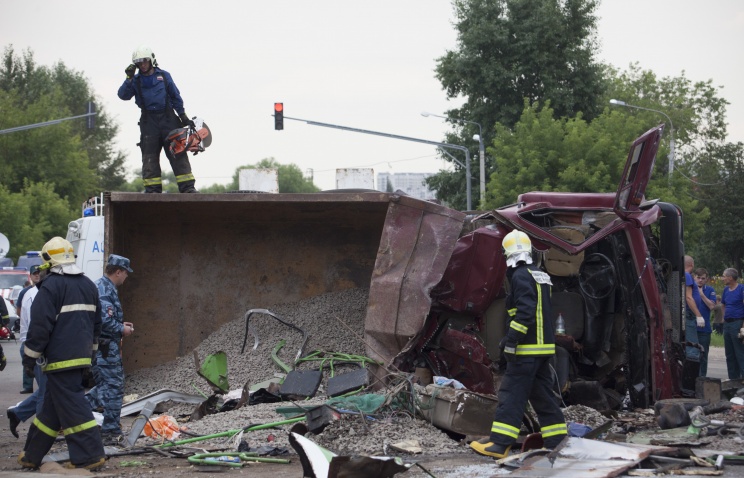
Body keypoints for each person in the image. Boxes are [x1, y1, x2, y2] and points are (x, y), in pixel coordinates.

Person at [470, 230, 567, 458]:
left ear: (508, 254)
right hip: (544, 349)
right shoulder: (539, 274)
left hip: (527, 350)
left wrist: (510, 341)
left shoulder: (520, 276)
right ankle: (558, 442)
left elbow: (525, 313)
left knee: (511, 393)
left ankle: (499, 444)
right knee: (543, 396)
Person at [18, 237, 105, 471]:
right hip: (82, 357)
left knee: (74, 406)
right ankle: (31, 455)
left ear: (48, 262)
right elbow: (97, 326)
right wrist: (91, 359)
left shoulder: (51, 287)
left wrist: (29, 359)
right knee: (51, 410)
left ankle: (90, 455)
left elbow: (39, 328)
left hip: (59, 361)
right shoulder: (88, 284)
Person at [118, 44, 197, 193]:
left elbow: (175, 97)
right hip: (149, 122)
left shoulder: (165, 76)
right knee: (149, 157)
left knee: (178, 153)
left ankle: (188, 189)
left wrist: (183, 116)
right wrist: (128, 78)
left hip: (169, 120)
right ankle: (152, 191)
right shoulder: (135, 80)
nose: (142, 65)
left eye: (144, 61)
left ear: (151, 60)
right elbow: (123, 95)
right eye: (139, 62)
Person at [86, 254, 134, 444]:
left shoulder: (106, 287)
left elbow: (105, 318)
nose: (126, 277)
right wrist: (121, 328)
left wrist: (120, 324)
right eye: (125, 273)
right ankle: (109, 430)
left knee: (110, 387)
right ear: (118, 271)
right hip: (105, 349)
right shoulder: (104, 289)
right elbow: (104, 322)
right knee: (112, 388)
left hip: (107, 347)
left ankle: (110, 427)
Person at [7, 270, 47, 439]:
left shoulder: (36, 293)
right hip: (35, 347)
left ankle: (18, 413)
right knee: (46, 392)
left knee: (49, 388)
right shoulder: (35, 296)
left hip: (35, 346)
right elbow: (37, 327)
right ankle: (40, 434)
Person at [18, 265, 42, 394]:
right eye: (35, 274)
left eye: (39, 273)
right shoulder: (28, 293)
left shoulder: (37, 292)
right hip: (30, 336)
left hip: (30, 336)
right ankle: (28, 386)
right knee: (29, 363)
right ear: (31, 276)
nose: (37, 275)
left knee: (30, 362)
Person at [720, 268, 744, 379]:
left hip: (737, 323)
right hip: (727, 324)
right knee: (729, 354)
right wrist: (724, 317)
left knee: (739, 353)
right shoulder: (725, 290)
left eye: (724, 276)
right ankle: (733, 380)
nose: (723, 278)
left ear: (730, 277)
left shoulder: (741, 289)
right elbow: (723, 304)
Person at [694, 268, 717, 376]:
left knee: (703, 355)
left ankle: (702, 379)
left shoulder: (710, 290)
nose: (700, 280)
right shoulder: (689, 289)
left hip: (704, 329)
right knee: (691, 355)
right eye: (698, 278)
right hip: (691, 327)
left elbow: (712, 306)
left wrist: (701, 294)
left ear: (706, 279)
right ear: (694, 277)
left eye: (703, 278)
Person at [684, 256, 704, 360]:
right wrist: (698, 315)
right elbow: (688, 297)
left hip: (688, 313)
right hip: (689, 314)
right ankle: (691, 374)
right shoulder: (687, 275)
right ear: (692, 264)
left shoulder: (686, 276)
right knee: (692, 348)